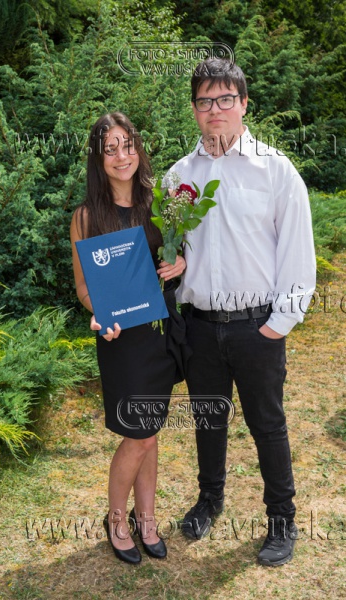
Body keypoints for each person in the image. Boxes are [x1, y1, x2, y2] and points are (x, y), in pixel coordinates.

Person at [164, 58, 316, 566]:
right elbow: (177, 249)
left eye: (225, 99)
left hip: (257, 327)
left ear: (244, 104)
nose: (215, 109)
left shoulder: (275, 170)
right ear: (194, 109)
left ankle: (282, 519)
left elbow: (297, 253)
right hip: (201, 327)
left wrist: (279, 323)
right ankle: (210, 500)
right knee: (208, 420)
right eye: (204, 101)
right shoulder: (178, 176)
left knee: (267, 425)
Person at [70, 112, 187, 564]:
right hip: (122, 339)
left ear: (138, 148)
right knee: (138, 436)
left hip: (160, 334)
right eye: (110, 149)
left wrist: (181, 265)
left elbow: (179, 260)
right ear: (98, 159)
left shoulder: (160, 203)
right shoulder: (86, 217)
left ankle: (147, 518)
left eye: (128, 145)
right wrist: (99, 314)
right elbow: (84, 288)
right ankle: (118, 520)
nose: (122, 156)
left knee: (150, 432)